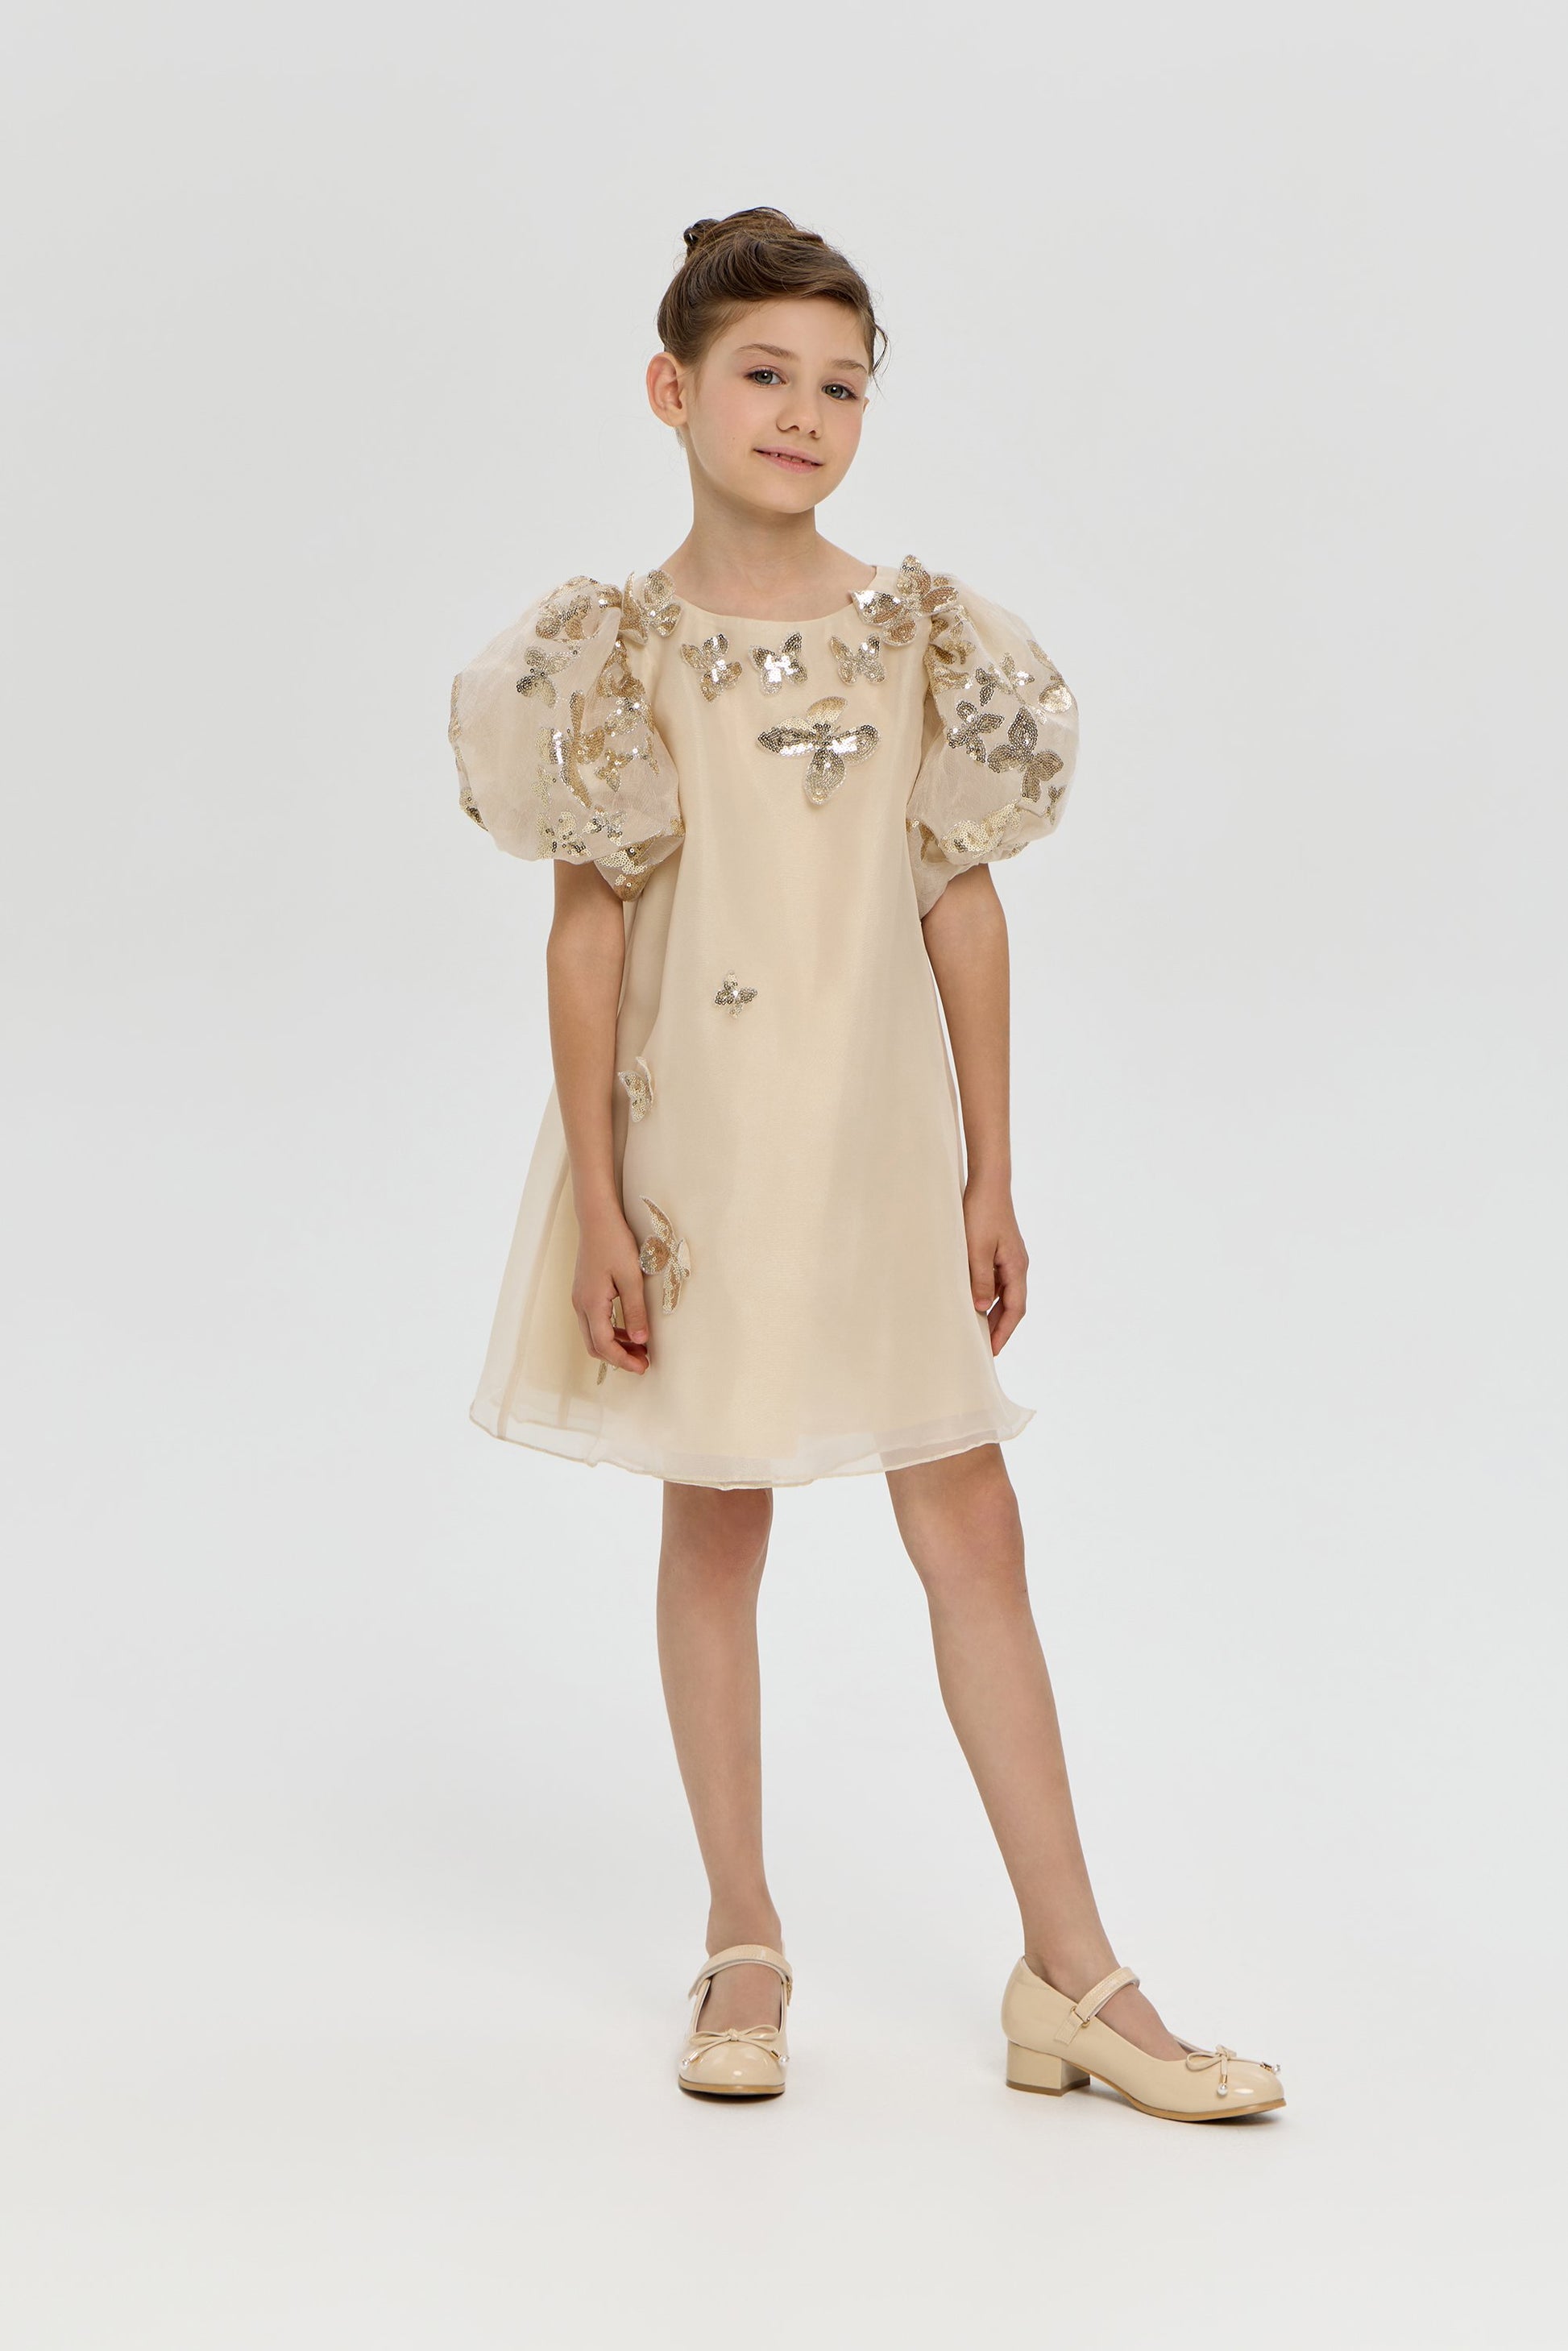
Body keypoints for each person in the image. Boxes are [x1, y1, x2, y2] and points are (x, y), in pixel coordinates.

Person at [447, 206, 1284, 2122]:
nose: (802, 413)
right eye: (763, 374)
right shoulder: (608, 653)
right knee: (717, 1516)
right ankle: (742, 1935)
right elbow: (586, 935)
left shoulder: (921, 637)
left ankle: (1072, 1967)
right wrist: (599, 1198)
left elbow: (957, 904)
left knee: (971, 1522)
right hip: (698, 1149)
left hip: (876, 1146)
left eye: (840, 385)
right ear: (670, 391)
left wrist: (991, 1169)